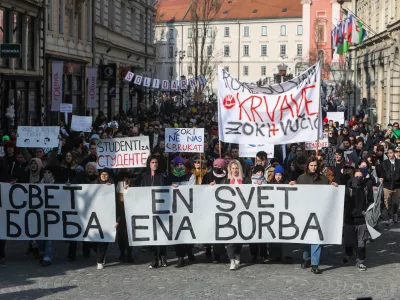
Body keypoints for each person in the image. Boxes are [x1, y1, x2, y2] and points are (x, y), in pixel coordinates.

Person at [289, 157, 337, 274]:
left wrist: (333, 186)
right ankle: (307, 258)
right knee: (305, 238)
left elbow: (329, 194)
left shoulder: (324, 179)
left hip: (319, 213)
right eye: (311, 165)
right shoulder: (301, 178)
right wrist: (292, 184)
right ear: (307, 166)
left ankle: (315, 264)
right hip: (305, 212)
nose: (313, 168)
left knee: (317, 238)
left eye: (315, 165)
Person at [137, 155, 168, 268]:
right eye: (152, 162)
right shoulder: (143, 176)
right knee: (152, 234)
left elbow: (168, 188)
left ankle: (163, 256)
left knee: (161, 233)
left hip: (161, 209)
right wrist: (127, 187)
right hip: (148, 209)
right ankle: (155, 258)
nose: (154, 164)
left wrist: (173, 186)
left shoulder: (163, 176)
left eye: (156, 162)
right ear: (149, 164)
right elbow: (136, 188)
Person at [221, 160, 251, 270]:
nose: (235, 170)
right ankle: (232, 259)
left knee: (239, 236)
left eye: (236, 168)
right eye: (233, 168)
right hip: (229, 213)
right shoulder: (226, 181)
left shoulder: (246, 181)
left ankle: (238, 254)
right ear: (230, 169)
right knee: (230, 237)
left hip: (242, 212)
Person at [343, 169, 373, 271]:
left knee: (361, 241)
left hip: (362, 220)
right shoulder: (347, 189)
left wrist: (367, 211)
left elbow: (371, 200)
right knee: (349, 241)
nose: (358, 179)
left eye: (360, 176)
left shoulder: (366, 188)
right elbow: (346, 206)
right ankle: (349, 254)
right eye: (356, 176)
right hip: (349, 220)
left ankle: (360, 261)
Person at [168, 156, 196, 267]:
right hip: (175, 209)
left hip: (188, 208)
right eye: (177, 164)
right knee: (178, 233)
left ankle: (189, 250)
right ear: (174, 166)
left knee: (189, 232)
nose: (180, 166)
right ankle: (180, 257)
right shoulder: (169, 177)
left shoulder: (190, 176)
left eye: (182, 164)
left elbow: (191, 189)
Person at [96, 169, 117, 270]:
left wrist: (117, 219)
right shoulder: (94, 185)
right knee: (96, 239)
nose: (104, 176)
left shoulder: (112, 187)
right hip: (95, 216)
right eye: (102, 174)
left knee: (104, 240)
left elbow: (116, 204)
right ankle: (101, 256)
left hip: (108, 217)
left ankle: (100, 260)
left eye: (106, 174)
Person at [377, 147, 400, 225]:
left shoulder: (398, 162)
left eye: (391, 152)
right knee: (387, 202)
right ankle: (390, 218)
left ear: (394, 153)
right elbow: (381, 172)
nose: (389, 154)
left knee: (396, 202)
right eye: (388, 153)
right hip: (387, 185)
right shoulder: (384, 162)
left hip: (397, 185)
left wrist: (397, 177)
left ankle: (395, 214)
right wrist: (383, 177)